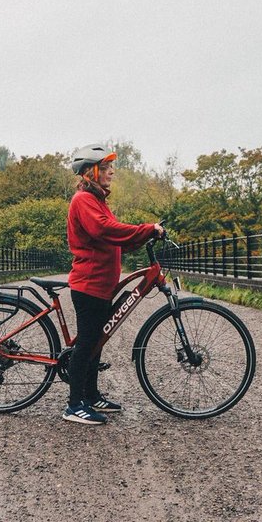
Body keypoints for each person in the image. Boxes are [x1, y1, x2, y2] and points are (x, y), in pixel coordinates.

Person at [63, 144, 164, 425]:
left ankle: (91, 396)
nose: (111, 172)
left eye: (110, 167)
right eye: (106, 168)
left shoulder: (97, 201)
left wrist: (144, 236)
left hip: (101, 285)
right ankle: (73, 405)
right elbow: (104, 230)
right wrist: (145, 229)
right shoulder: (83, 200)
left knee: (97, 340)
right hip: (89, 284)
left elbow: (115, 238)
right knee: (87, 342)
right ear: (90, 172)